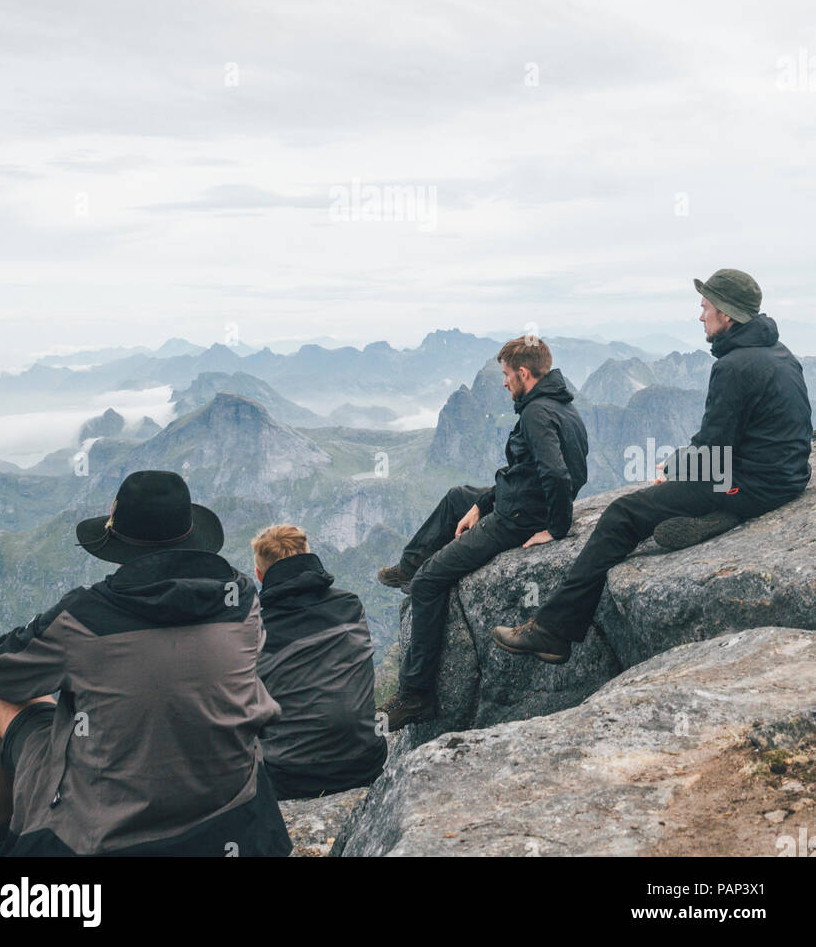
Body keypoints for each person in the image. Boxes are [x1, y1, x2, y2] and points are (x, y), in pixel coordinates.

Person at [0, 470, 291, 857]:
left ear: (118, 543)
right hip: (236, 821)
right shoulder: (242, 602)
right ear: (191, 535)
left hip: (104, 836)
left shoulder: (83, 617)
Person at [493, 270, 813, 661]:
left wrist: (674, 468)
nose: (701, 317)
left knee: (623, 514)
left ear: (726, 315)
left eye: (705, 307)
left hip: (750, 485)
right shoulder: (781, 354)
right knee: (674, 495)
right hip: (787, 477)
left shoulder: (734, 367)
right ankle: (717, 515)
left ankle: (552, 631)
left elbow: (712, 452)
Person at [377, 335, 589, 730]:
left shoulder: (535, 415)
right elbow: (530, 473)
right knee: (459, 497)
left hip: (518, 519)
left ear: (524, 373)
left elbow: (557, 475)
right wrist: (480, 505)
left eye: (507, 375)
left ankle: (415, 695)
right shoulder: (558, 405)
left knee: (428, 584)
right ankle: (408, 565)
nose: (504, 382)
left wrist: (556, 529)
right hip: (522, 500)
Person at [252, 524, 387, 798]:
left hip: (290, 777)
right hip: (364, 763)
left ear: (259, 575)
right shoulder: (350, 605)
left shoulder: (254, 630)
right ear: (309, 557)